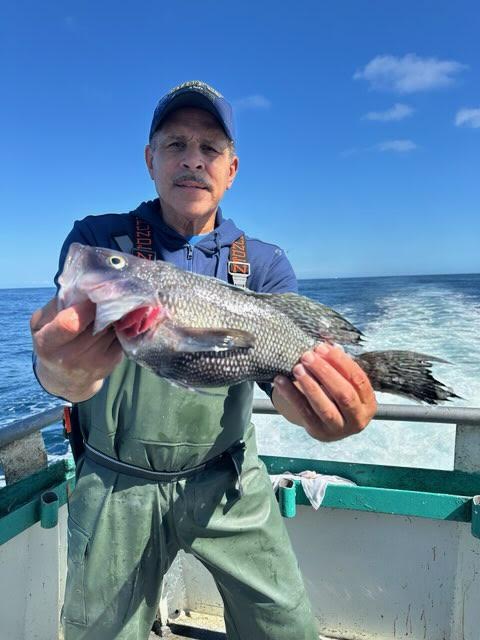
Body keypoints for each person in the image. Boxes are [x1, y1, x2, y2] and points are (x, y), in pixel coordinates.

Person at [30, 80, 377, 640]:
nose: (193, 161)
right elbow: (61, 372)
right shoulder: (98, 240)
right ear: (150, 159)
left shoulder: (264, 264)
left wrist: (318, 414)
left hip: (230, 479)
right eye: (175, 145)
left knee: (286, 627)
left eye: (209, 148)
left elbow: (281, 393)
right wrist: (62, 374)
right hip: (116, 484)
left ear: (231, 168)